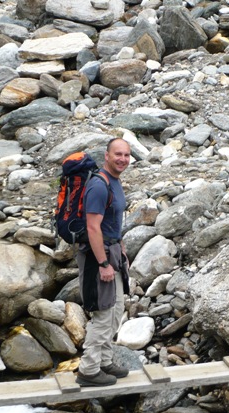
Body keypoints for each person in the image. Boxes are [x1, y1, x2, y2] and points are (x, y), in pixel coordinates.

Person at [76, 138, 131, 387]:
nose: (122, 159)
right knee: (103, 313)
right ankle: (88, 370)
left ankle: (105, 361)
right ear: (106, 156)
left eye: (127, 155)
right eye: (117, 154)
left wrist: (122, 251)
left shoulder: (115, 182)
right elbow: (92, 227)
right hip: (98, 257)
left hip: (113, 252)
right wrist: (103, 264)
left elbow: (113, 223)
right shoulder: (98, 185)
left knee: (116, 309)